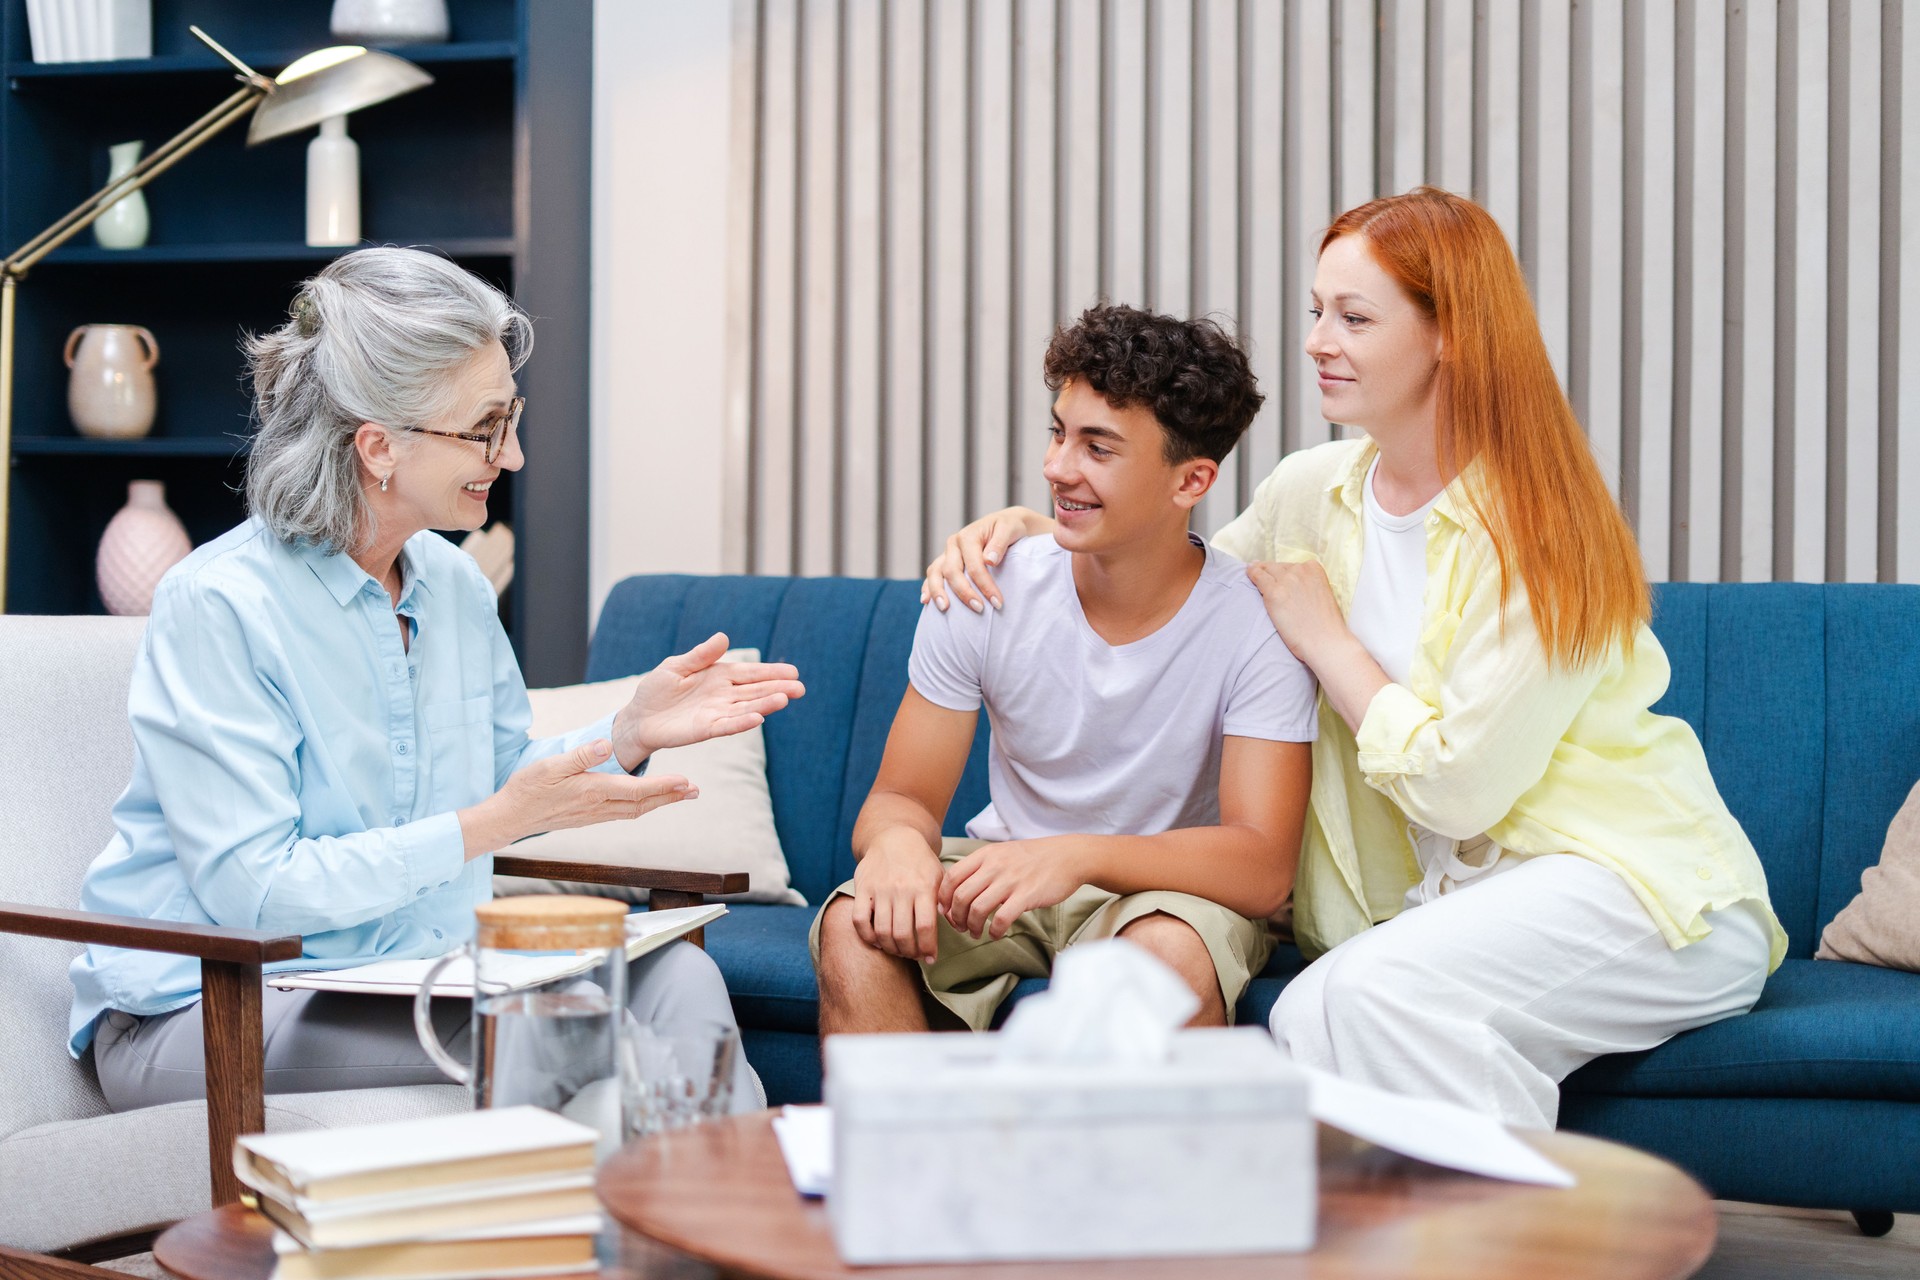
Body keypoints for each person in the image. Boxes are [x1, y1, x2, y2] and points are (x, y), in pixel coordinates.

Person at [921, 188, 1783, 1129]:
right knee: (1330, 1016)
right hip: (1449, 911)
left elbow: (1462, 794)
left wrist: (1329, 643)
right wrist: (1040, 533)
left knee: (1362, 1002)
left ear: (1450, 334)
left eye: (1355, 317)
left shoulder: (1546, 530)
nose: (1317, 340)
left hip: (1635, 891)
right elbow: (1174, 573)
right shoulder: (1310, 491)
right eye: (1317, 311)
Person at [71, 247, 804, 1112]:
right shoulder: (220, 604)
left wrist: (624, 733)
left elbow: (497, 779)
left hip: (402, 977)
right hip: (212, 1007)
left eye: (511, 417)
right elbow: (257, 893)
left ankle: (718, 1235)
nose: (516, 455)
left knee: (677, 983)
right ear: (379, 447)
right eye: (487, 427)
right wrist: (489, 823)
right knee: (547, 1033)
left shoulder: (450, 585)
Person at [814, 304, 1317, 1037]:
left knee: (1166, 959)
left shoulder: (1255, 626)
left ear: (1191, 481)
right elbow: (902, 797)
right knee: (854, 924)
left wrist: (1075, 856)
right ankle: (903, 1154)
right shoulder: (984, 585)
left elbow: (1263, 865)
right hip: (1004, 877)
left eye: (1098, 448)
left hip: (1163, 895)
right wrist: (894, 846)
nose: (1057, 467)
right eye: (1058, 432)